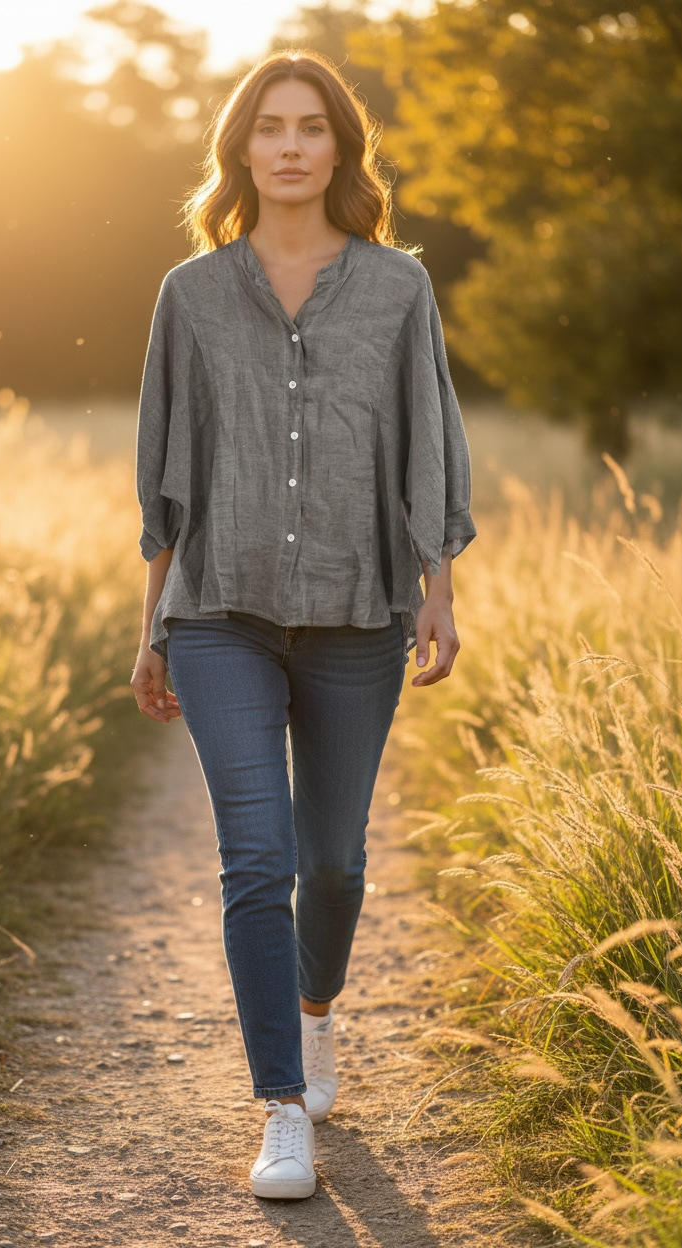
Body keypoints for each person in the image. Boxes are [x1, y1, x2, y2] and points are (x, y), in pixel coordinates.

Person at [130, 49, 476, 1200]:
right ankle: (280, 1105)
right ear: (241, 149)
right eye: (267, 127)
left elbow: (426, 436)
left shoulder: (396, 288)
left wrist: (435, 586)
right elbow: (167, 477)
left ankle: (316, 1013)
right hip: (219, 607)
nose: (287, 146)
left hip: (354, 608)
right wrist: (152, 625)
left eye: (310, 127)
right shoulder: (189, 294)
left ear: (339, 149)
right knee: (256, 857)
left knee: (331, 864)